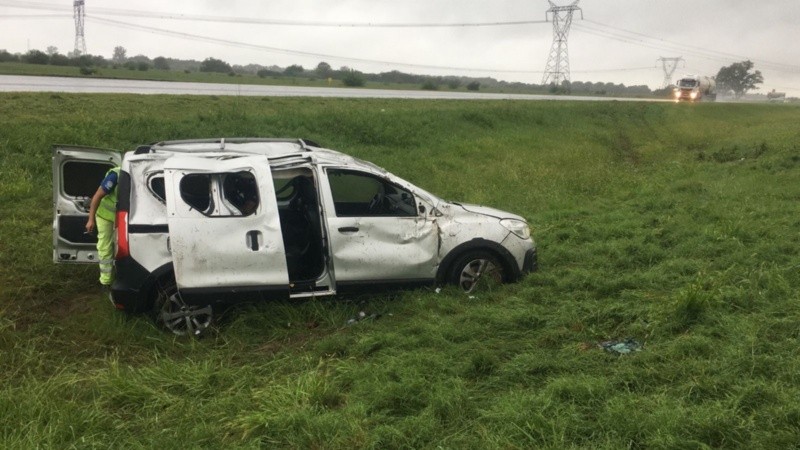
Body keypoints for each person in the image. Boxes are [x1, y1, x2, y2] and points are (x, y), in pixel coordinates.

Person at [85, 166, 120, 288]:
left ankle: (119, 275)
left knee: (121, 247)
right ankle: (106, 281)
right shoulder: (115, 176)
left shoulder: (138, 173)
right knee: (105, 247)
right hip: (105, 216)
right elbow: (97, 196)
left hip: (121, 218)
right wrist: (91, 220)